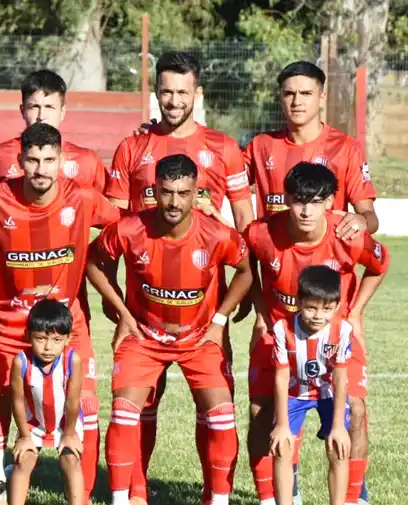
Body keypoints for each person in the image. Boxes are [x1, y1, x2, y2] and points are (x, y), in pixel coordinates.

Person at [0, 122, 119, 505]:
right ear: (20, 161)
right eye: (33, 160)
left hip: (65, 326)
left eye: (49, 160)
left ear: (61, 161)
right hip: (3, 324)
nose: (41, 169)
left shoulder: (82, 198)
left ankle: (83, 498)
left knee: (89, 410)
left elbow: (128, 226)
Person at [104, 52, 255, 501]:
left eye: (182, 92)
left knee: (211, 402)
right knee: (142, 402)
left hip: (204, 299)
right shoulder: (133, 147)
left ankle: (216, 493)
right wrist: (117, 307)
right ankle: (135, 491)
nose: (172, 101)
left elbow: (245, 221)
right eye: (165, 91)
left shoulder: (224, 148)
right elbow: (115, 220)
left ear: (198, 94)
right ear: (156, 91)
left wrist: (247, 292)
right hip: (144, 298)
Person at [243, 61, 379, 505]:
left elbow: (369, 219)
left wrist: (360, 220)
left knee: (353, 410)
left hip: (330, 317)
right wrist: (262, 314)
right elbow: (217, 178)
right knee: (264, 413)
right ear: (280, 98)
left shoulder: (345, 148)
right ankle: (279, 496)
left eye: (305, 93)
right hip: (280, 318)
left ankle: (353, 497)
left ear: (322, 97)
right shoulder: (261, 147)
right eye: (288, 94)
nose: (297, 101)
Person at [87, 154, 253, 505]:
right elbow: (93, 260)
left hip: (199, 337)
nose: (174, 202)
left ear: (196, 194)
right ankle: (124, 498)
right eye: (166, 192)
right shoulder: (131, 228)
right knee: (124, 411)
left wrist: (221, 319)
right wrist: (122, 313)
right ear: (154, 191)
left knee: (221, 414)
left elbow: (246, 269)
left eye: (182, 193)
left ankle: (218, 499)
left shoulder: (216, 234)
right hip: (144, 337)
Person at [269, 265, 353, 505]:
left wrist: (338, 425)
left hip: (328, 394)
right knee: (282, 447)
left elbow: (340, 377)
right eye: (311, 308)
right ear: (298, 302)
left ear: (337, 306)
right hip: (296, 394)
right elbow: (281, 377)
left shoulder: (343, 330)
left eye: (327, 309)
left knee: (338, 447)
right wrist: (282, 425)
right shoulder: (282, 329)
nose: (318, 316)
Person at [8, 299, 84, 505]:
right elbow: (16, 401)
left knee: (71, 459)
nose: (48, 347)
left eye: (57, 340)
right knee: (22, 461)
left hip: (65, 422)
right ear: (28, 336)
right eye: (40, 339)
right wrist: (24, 436)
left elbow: (72, 401)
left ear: (68, 339)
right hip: (34, 423)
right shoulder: (21, 362)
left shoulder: (72, 360)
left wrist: (68, 435)